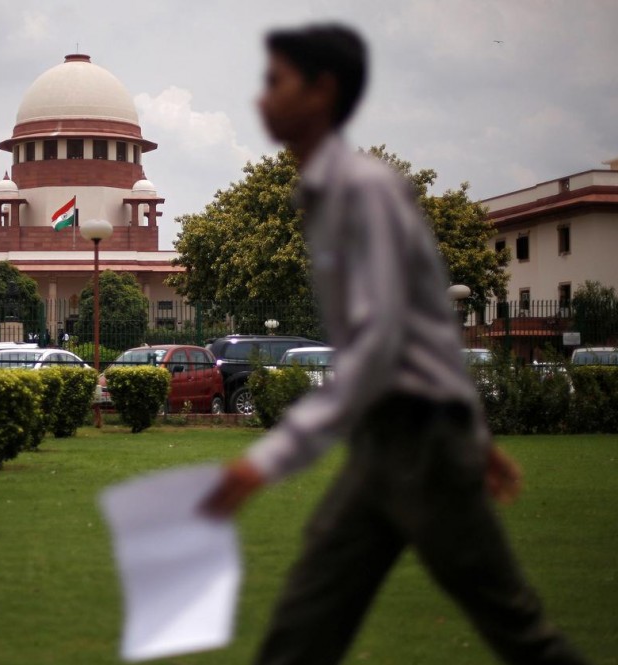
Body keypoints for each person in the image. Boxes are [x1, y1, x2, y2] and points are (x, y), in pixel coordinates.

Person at [201, 24, 588, 665]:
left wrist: (265, 461)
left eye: (275, 81)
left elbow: (381, 342)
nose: (261, 99)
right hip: (392, 445)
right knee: (302, 630)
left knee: (519, 633)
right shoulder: (326, 195)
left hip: (421, 448)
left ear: (322, 91)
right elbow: (426, 322)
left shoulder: (362, 192)